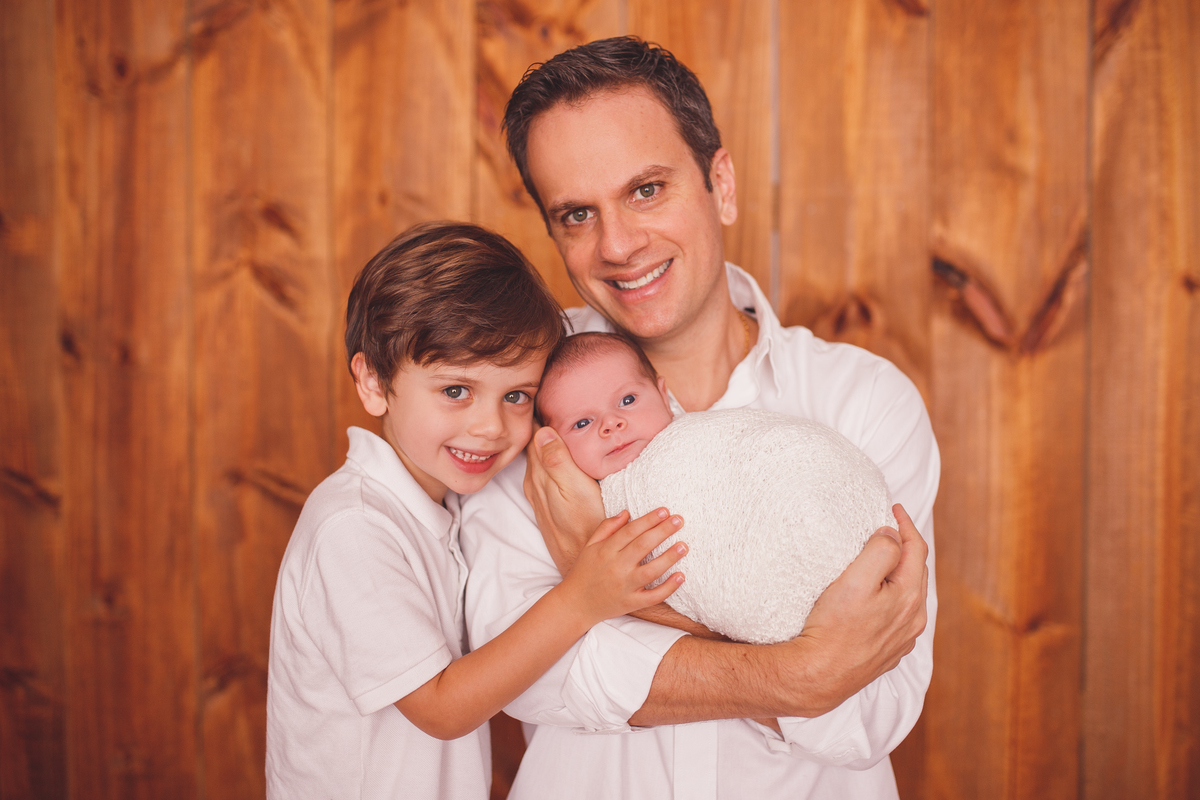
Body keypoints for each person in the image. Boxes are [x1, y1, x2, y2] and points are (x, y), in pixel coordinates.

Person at [459, 37, 939, 799]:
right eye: (577, 214)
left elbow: (873, 709)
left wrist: (600, 578)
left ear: (721, 183)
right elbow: (529, 671)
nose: (617, 245)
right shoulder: (524, 405)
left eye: (646, 190)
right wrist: (801, 669)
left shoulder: (862, 403)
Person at [264, 221, 691, 799]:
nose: (491, 427)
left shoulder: (436, 506)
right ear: (373, 382)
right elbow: (442, 708)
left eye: (516, 396)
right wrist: (582, 597)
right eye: (456, 391)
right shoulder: (354, 526)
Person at [534, 331, 896, 645]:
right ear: (552, 443)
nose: (611, 424)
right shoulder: (572, 507)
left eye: (627, 400)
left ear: (664, 394)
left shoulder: (708, 437)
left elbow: (770, 460)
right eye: (582, 422)